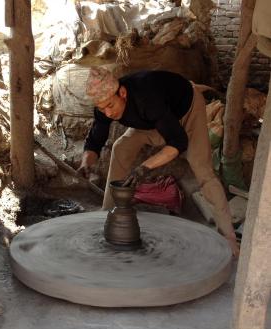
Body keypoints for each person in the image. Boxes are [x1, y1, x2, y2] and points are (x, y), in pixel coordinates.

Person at [78, 66, 239, 256]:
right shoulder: (105, 106)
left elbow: (177, 142)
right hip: (153, 119)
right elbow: (95, 139)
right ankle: (109, 212)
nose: (108, 113)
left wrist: (144, 168)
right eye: (101, 108)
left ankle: (228, 237)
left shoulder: (147, 98)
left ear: (122, 93)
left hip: (186, 111)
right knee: (121, 148)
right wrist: (86, 162)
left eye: (111, 106)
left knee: (201, 168)